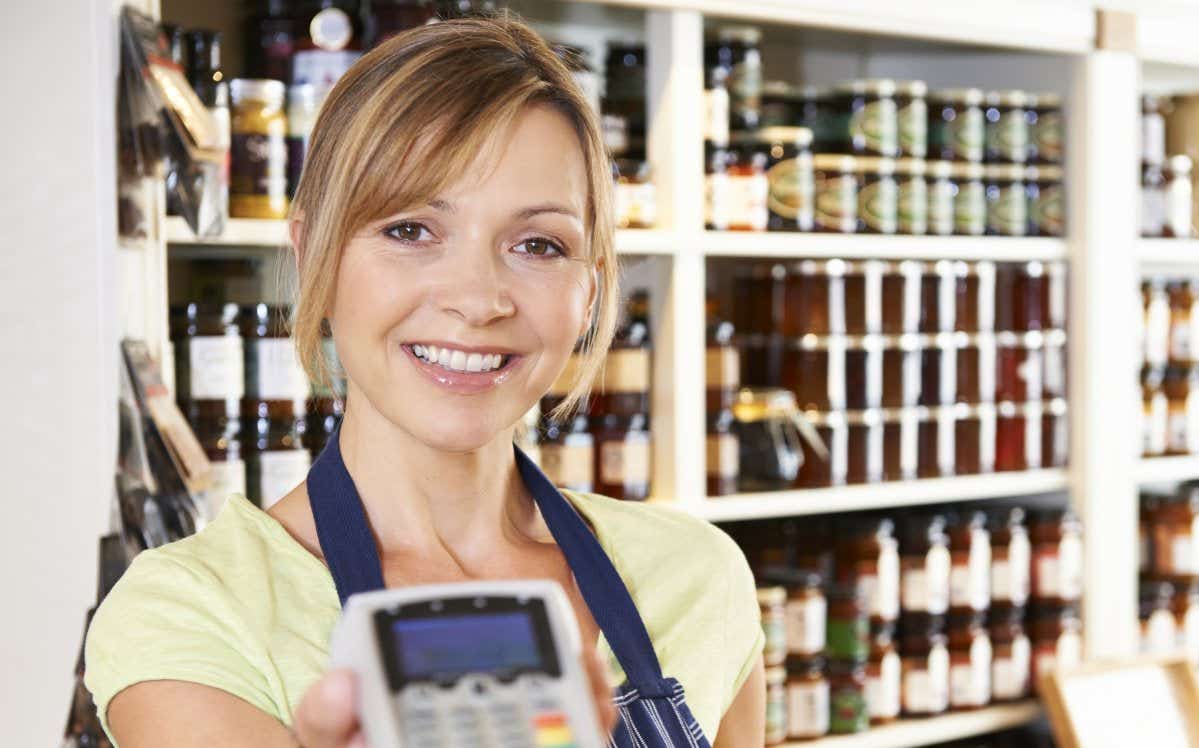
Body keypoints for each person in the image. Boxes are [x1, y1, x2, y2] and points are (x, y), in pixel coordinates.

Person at [84, 14, 765, 747]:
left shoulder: (698, 574)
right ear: (314, 251)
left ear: (590, 291)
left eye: (539, 244)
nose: (477, 300)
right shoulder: (194, 611)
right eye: (410, 230)